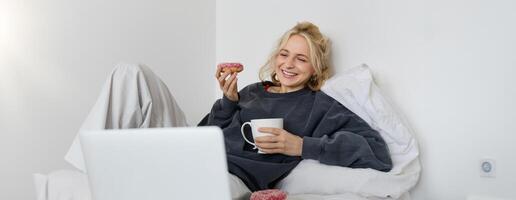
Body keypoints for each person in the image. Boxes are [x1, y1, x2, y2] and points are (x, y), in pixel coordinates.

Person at [201, 21, 392, 195]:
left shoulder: (322, 105)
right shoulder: (253, 91)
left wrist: (301, 146)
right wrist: (228, 101)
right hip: (206, 159)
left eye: (301, 59)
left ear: (315, 68)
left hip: (236, 178)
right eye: (284, 54)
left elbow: (377, 152)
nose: (288, 64)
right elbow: (206, 133)